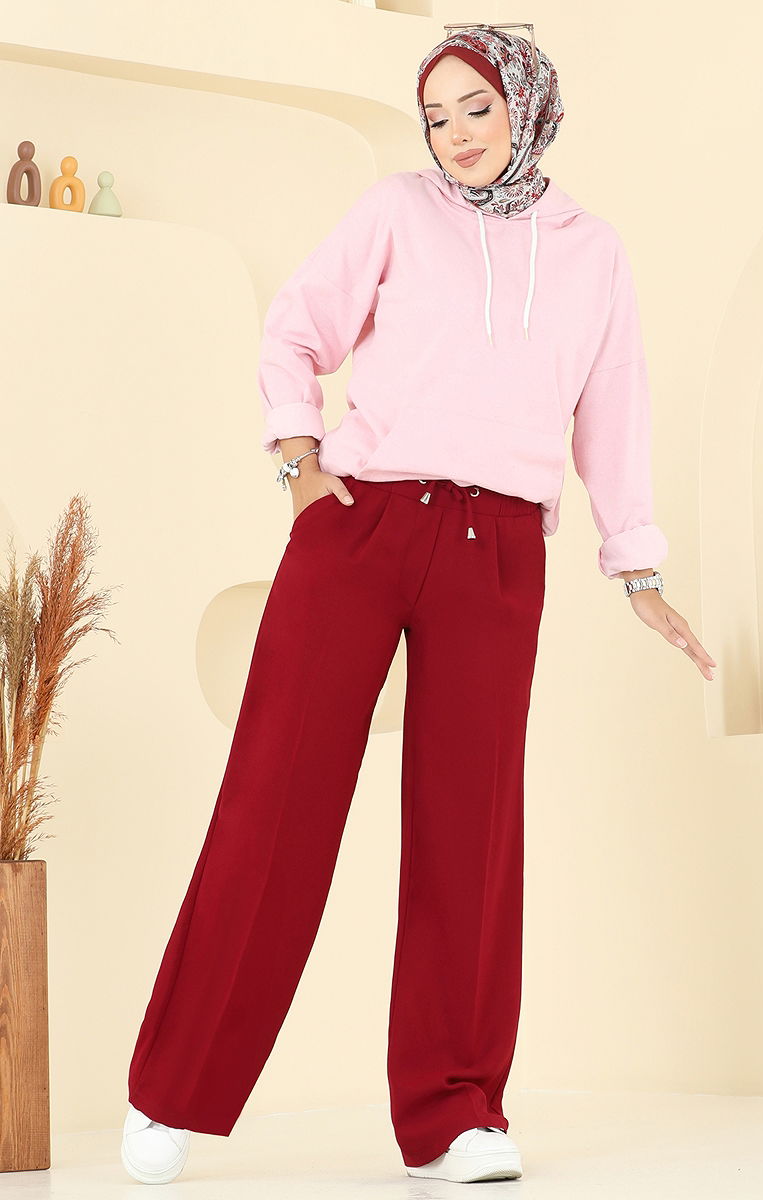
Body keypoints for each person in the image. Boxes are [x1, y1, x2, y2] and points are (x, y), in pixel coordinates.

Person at [120, 24, 716, 1188]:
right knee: (274, 800)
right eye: (435, 117)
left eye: (475, 108)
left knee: (470, 830)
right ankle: (172, 1093)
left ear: (527, 106)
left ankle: (453, 1116)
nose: (454, 136)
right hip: (364, 523)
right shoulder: (396, 210)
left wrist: (635, 567)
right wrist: (299, 468)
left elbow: (613, 411)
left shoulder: (591, 252)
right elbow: (294, 329)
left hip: (500, 548)